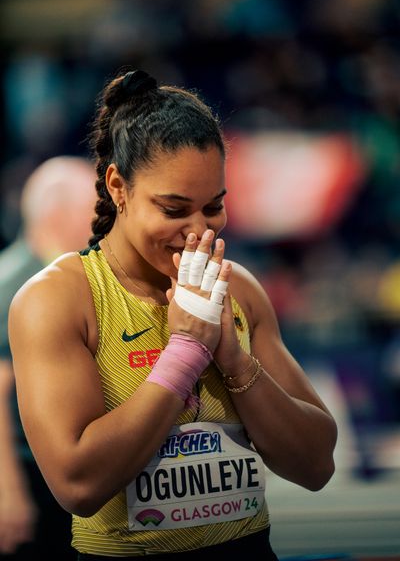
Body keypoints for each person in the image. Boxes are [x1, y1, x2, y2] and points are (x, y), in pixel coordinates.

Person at [8, 69, 338, 560]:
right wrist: (185, 353)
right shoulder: (58, 299)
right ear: (118, 186)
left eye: (213, 207)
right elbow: (77, 484)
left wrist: (235, 361)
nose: (197, 230)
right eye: (173, 208)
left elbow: (316, 464)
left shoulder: (239, 289)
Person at [0, 155, 96, 559]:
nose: (102, 223)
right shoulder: (26, 283)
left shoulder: (31, 272)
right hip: (30, 475)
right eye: (95, 210)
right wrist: (9, 493)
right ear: (58, 214)